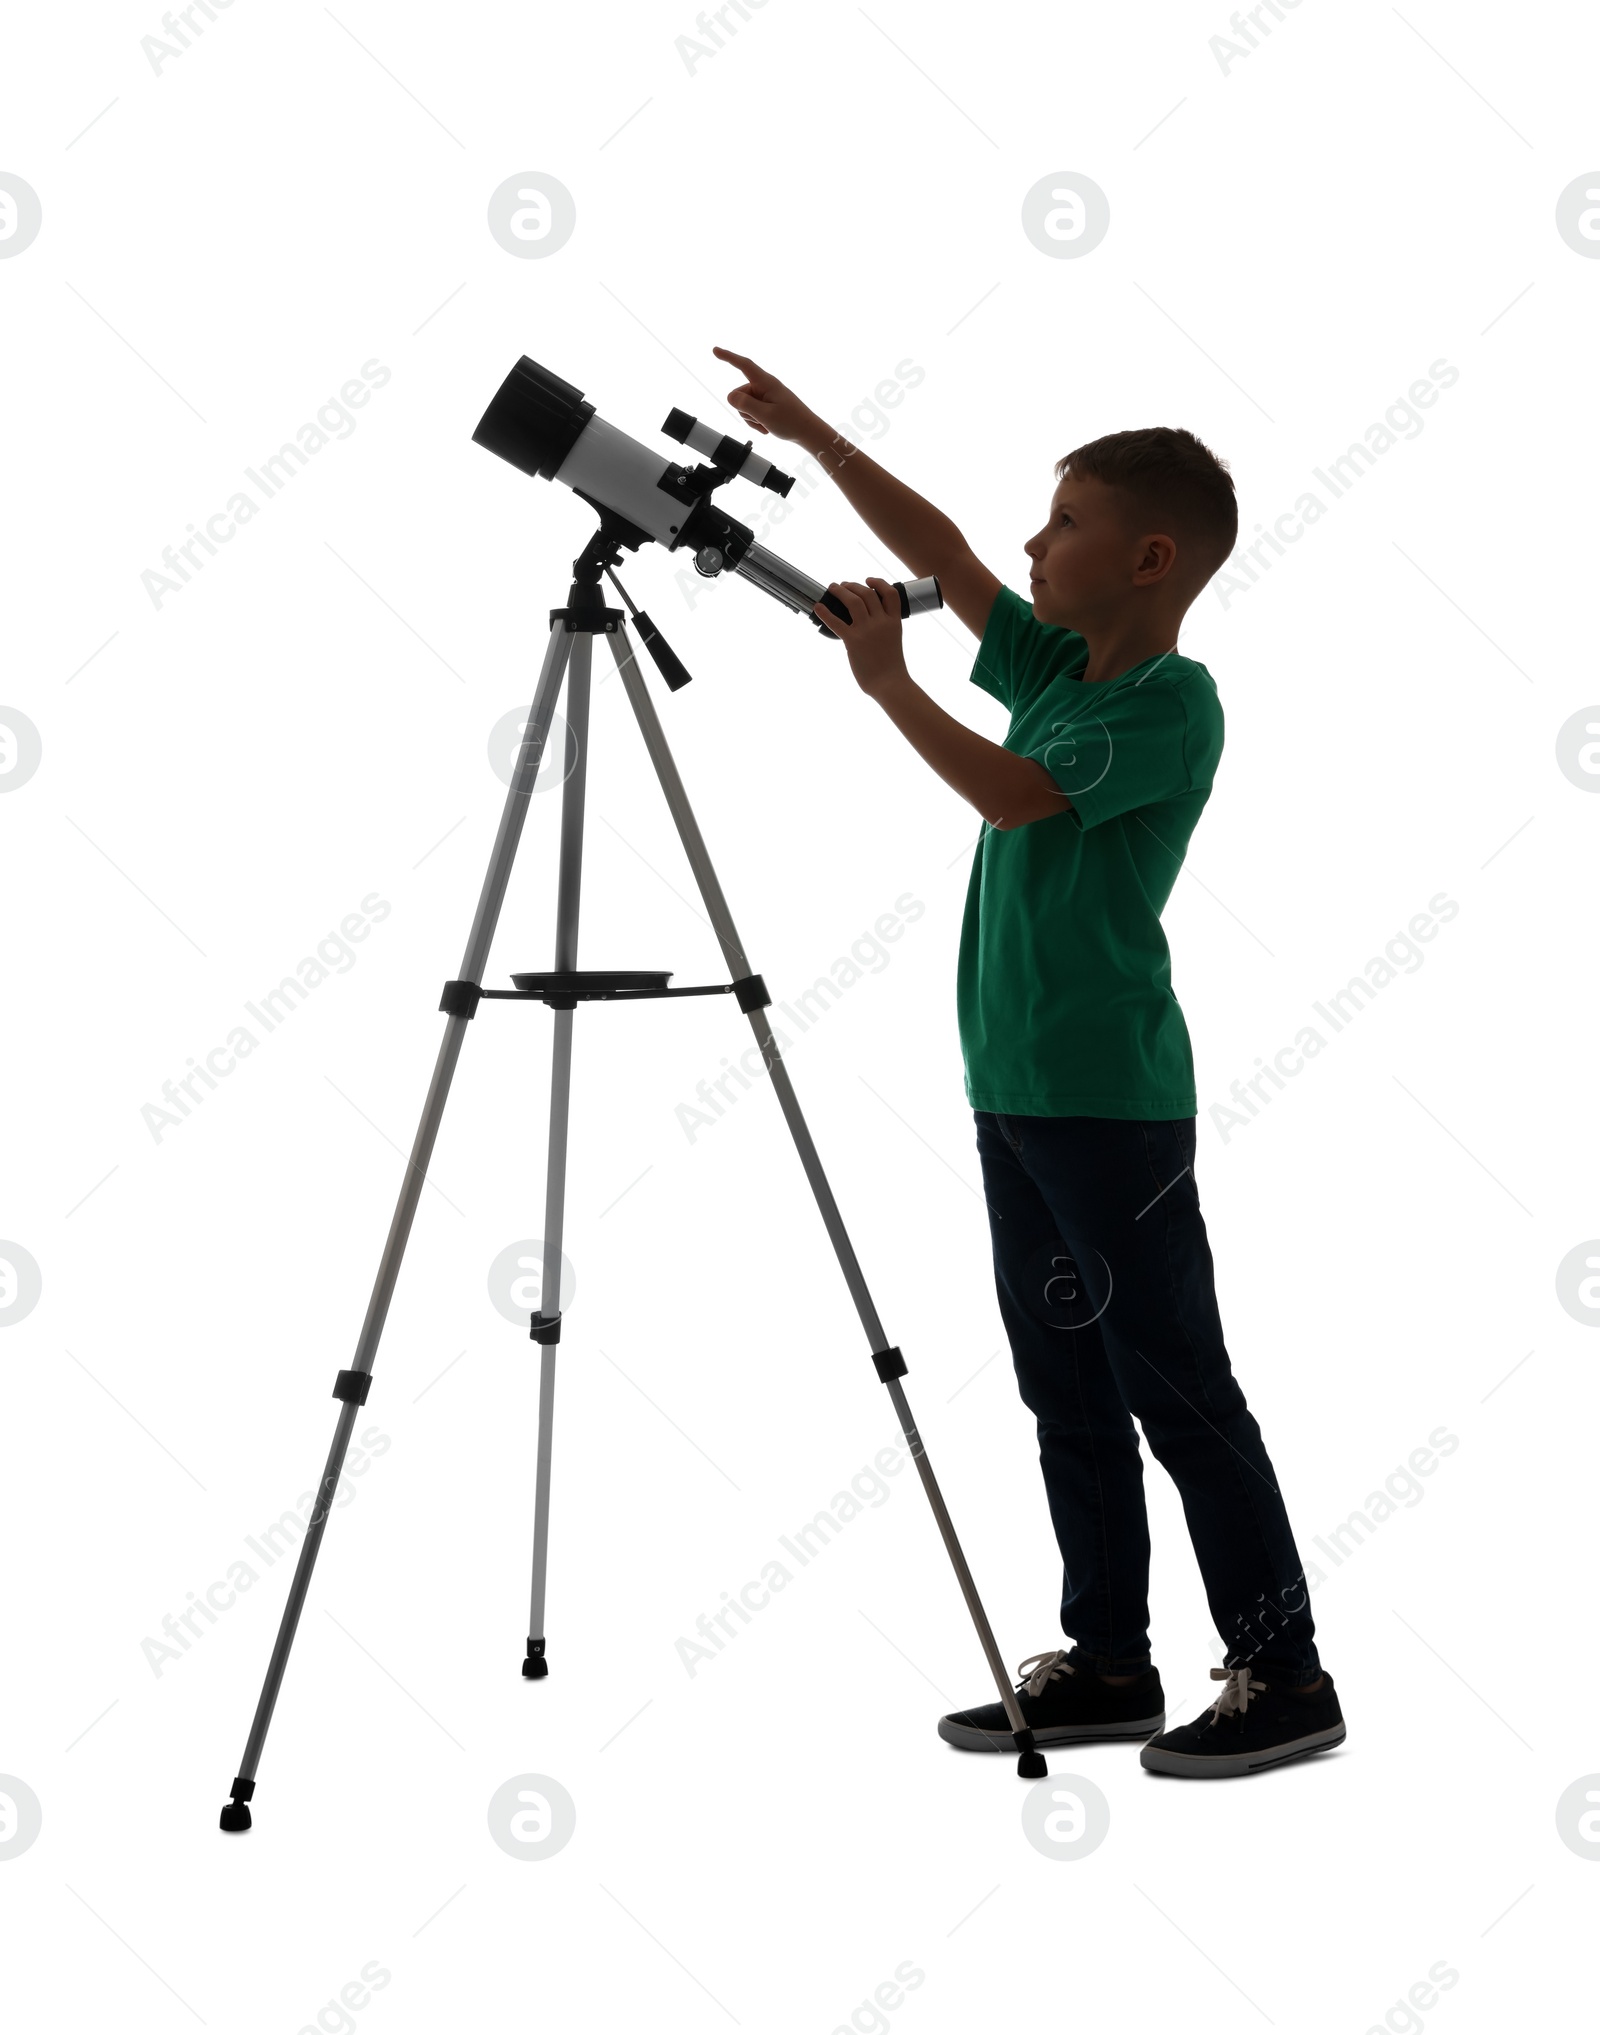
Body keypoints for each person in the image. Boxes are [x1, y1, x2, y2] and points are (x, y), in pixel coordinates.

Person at [713, 346, 1347, 1779]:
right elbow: (938, 543)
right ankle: (1110, 1659)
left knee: (1177, 1388)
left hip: (1108, 1109)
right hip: (1013, 1090)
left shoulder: (1170, 703)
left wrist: (886, 683)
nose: (1030, 544)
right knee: (1063, 1385)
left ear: (1150, 557)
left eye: (1064, 522)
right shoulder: (1059, 666)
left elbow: (1012, 797)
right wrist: (811, 432)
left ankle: (1284, 1671)